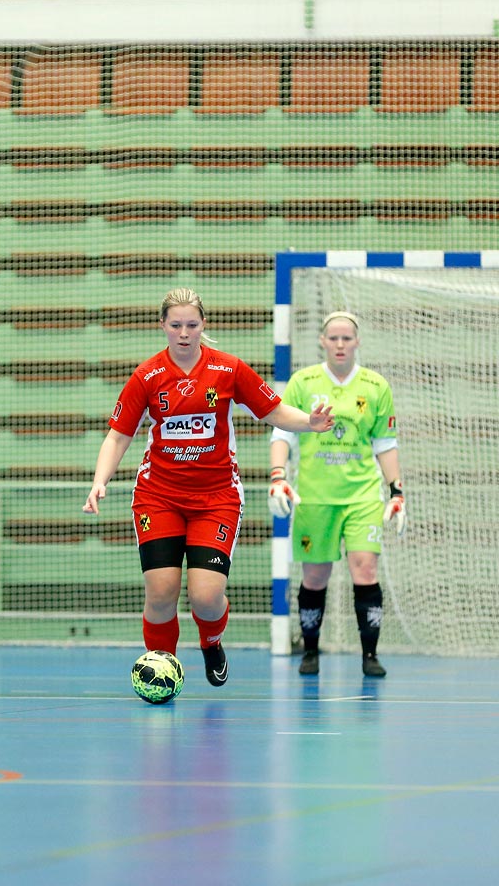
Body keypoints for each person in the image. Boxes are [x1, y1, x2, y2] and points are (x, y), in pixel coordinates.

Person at [83, 288, 333, 688]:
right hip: (158, 495)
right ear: (162, 325)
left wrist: (309, 422)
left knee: (205, 596)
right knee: (162, 591)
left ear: (204, 325)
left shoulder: (228, 369)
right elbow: (117, 436)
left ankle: (211, 640)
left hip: (216, 498)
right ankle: (161, 667)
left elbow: (272, 410)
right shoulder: (146, 376)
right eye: (176, 325)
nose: (184, 333)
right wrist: (99, 482)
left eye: (192, 325)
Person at [268, 310, 405, 678]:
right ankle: (310, 651)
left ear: (357, 341)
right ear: (323, 341)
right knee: (314, 577)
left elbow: (385, 442)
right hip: (315, 496)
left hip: (361, 496)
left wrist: (396, 490)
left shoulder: (376, 387)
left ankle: (370, 656)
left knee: (366, 568)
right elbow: (282, 432)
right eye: (334, 338)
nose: (340, 344)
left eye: (347, 338)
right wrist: (278, 475)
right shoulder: (302, 382)